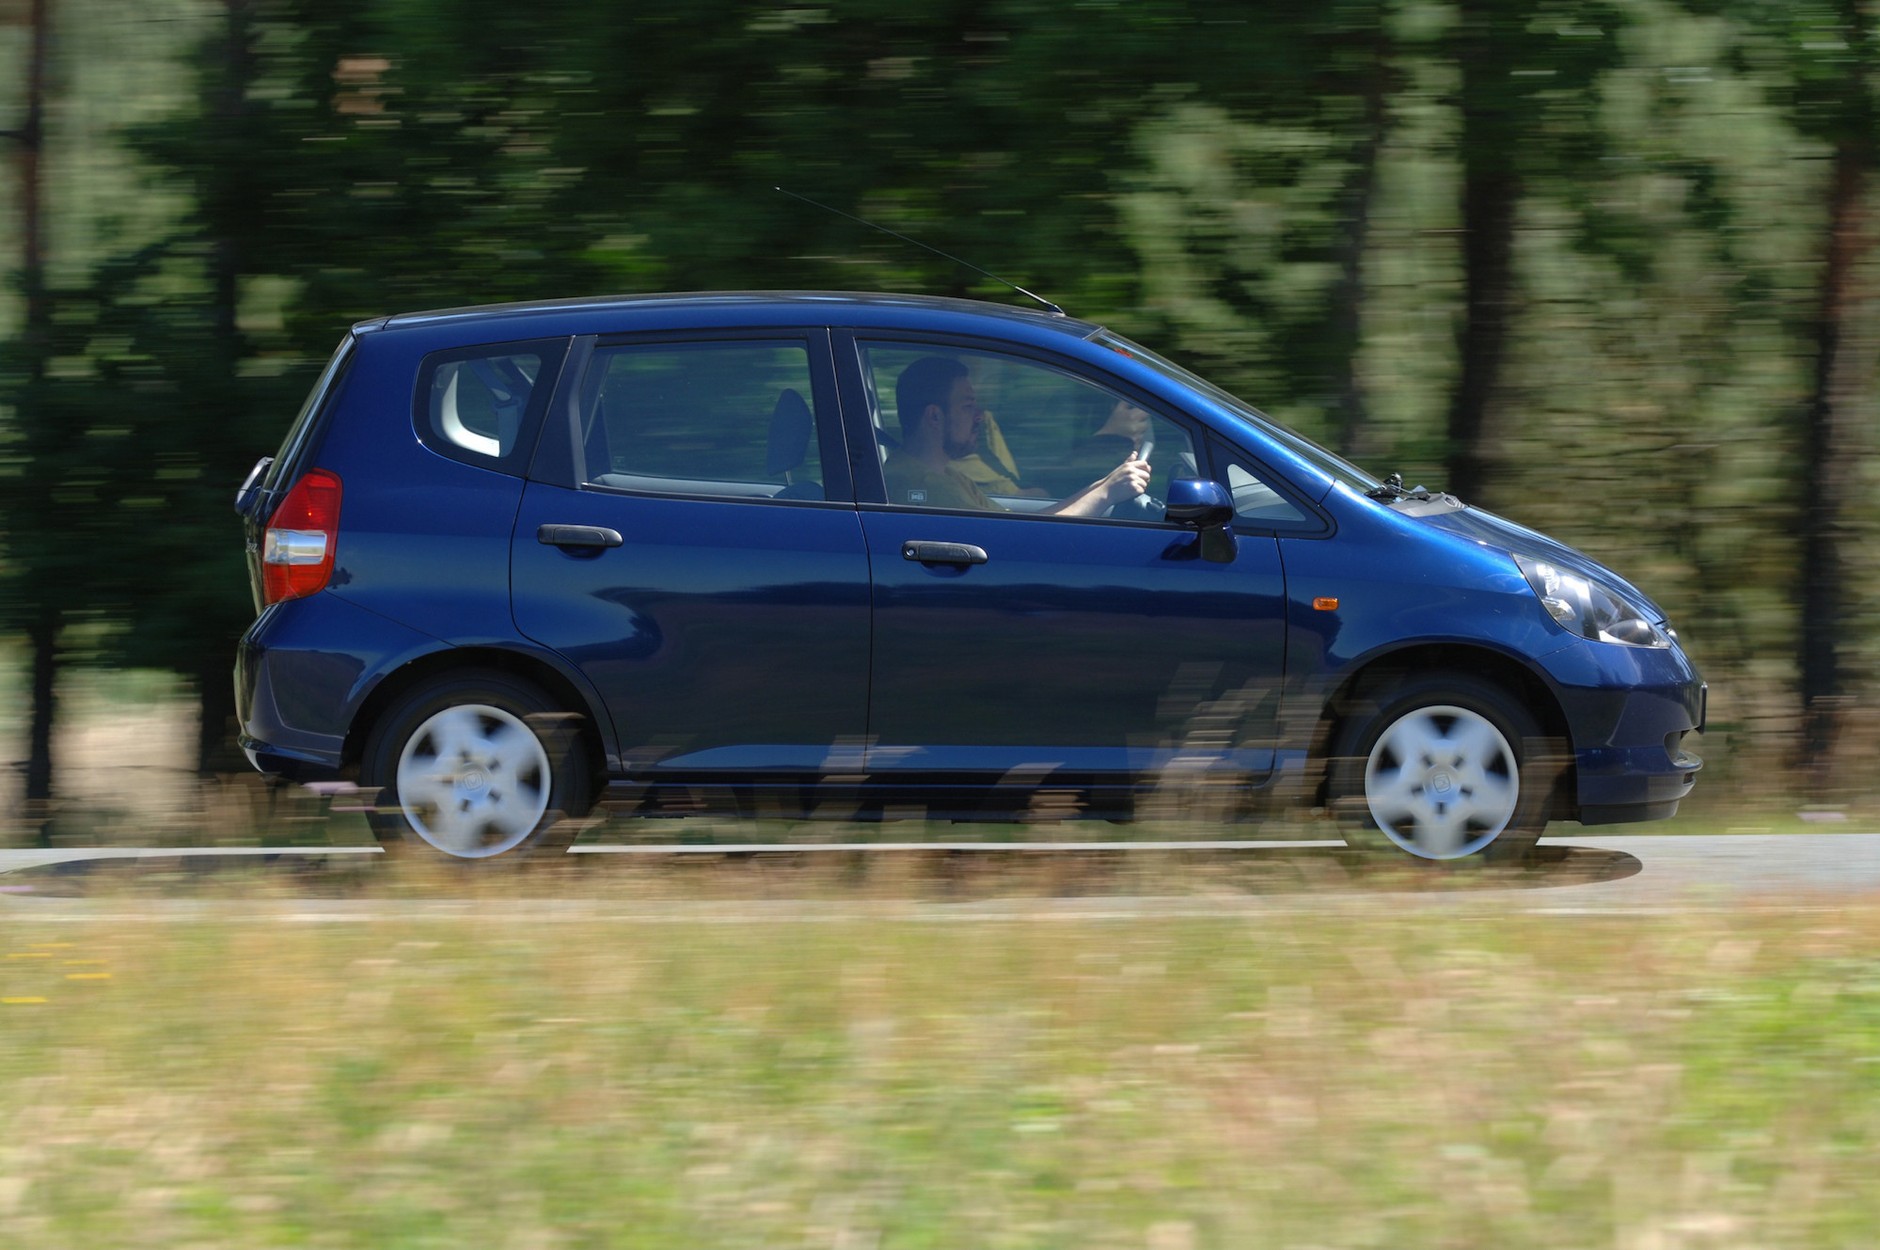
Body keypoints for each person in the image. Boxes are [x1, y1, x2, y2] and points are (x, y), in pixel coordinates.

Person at [883, 356, 1149, 517]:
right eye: (968, 406)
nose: (979, 417)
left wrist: (1104, 484)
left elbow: (1021, 524)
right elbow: (1017, 540)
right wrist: (1106, 494)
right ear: (934, 416)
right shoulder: (926, 487)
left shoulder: (949, 476)